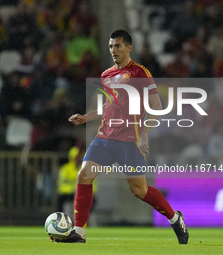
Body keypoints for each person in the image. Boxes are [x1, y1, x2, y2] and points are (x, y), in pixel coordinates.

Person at [53, 30, 189, 244]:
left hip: (130, 141)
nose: (113, 50)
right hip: (104, 138)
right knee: (84, 175)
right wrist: (87, 117)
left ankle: (174, 218)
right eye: (110, 46)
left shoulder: (140, 73)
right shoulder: (106, 75)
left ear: (128, 47)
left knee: (139, 190)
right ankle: (79, 231)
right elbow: (109, 107)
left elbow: (156, 107)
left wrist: (145, 134)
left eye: (117, 46)